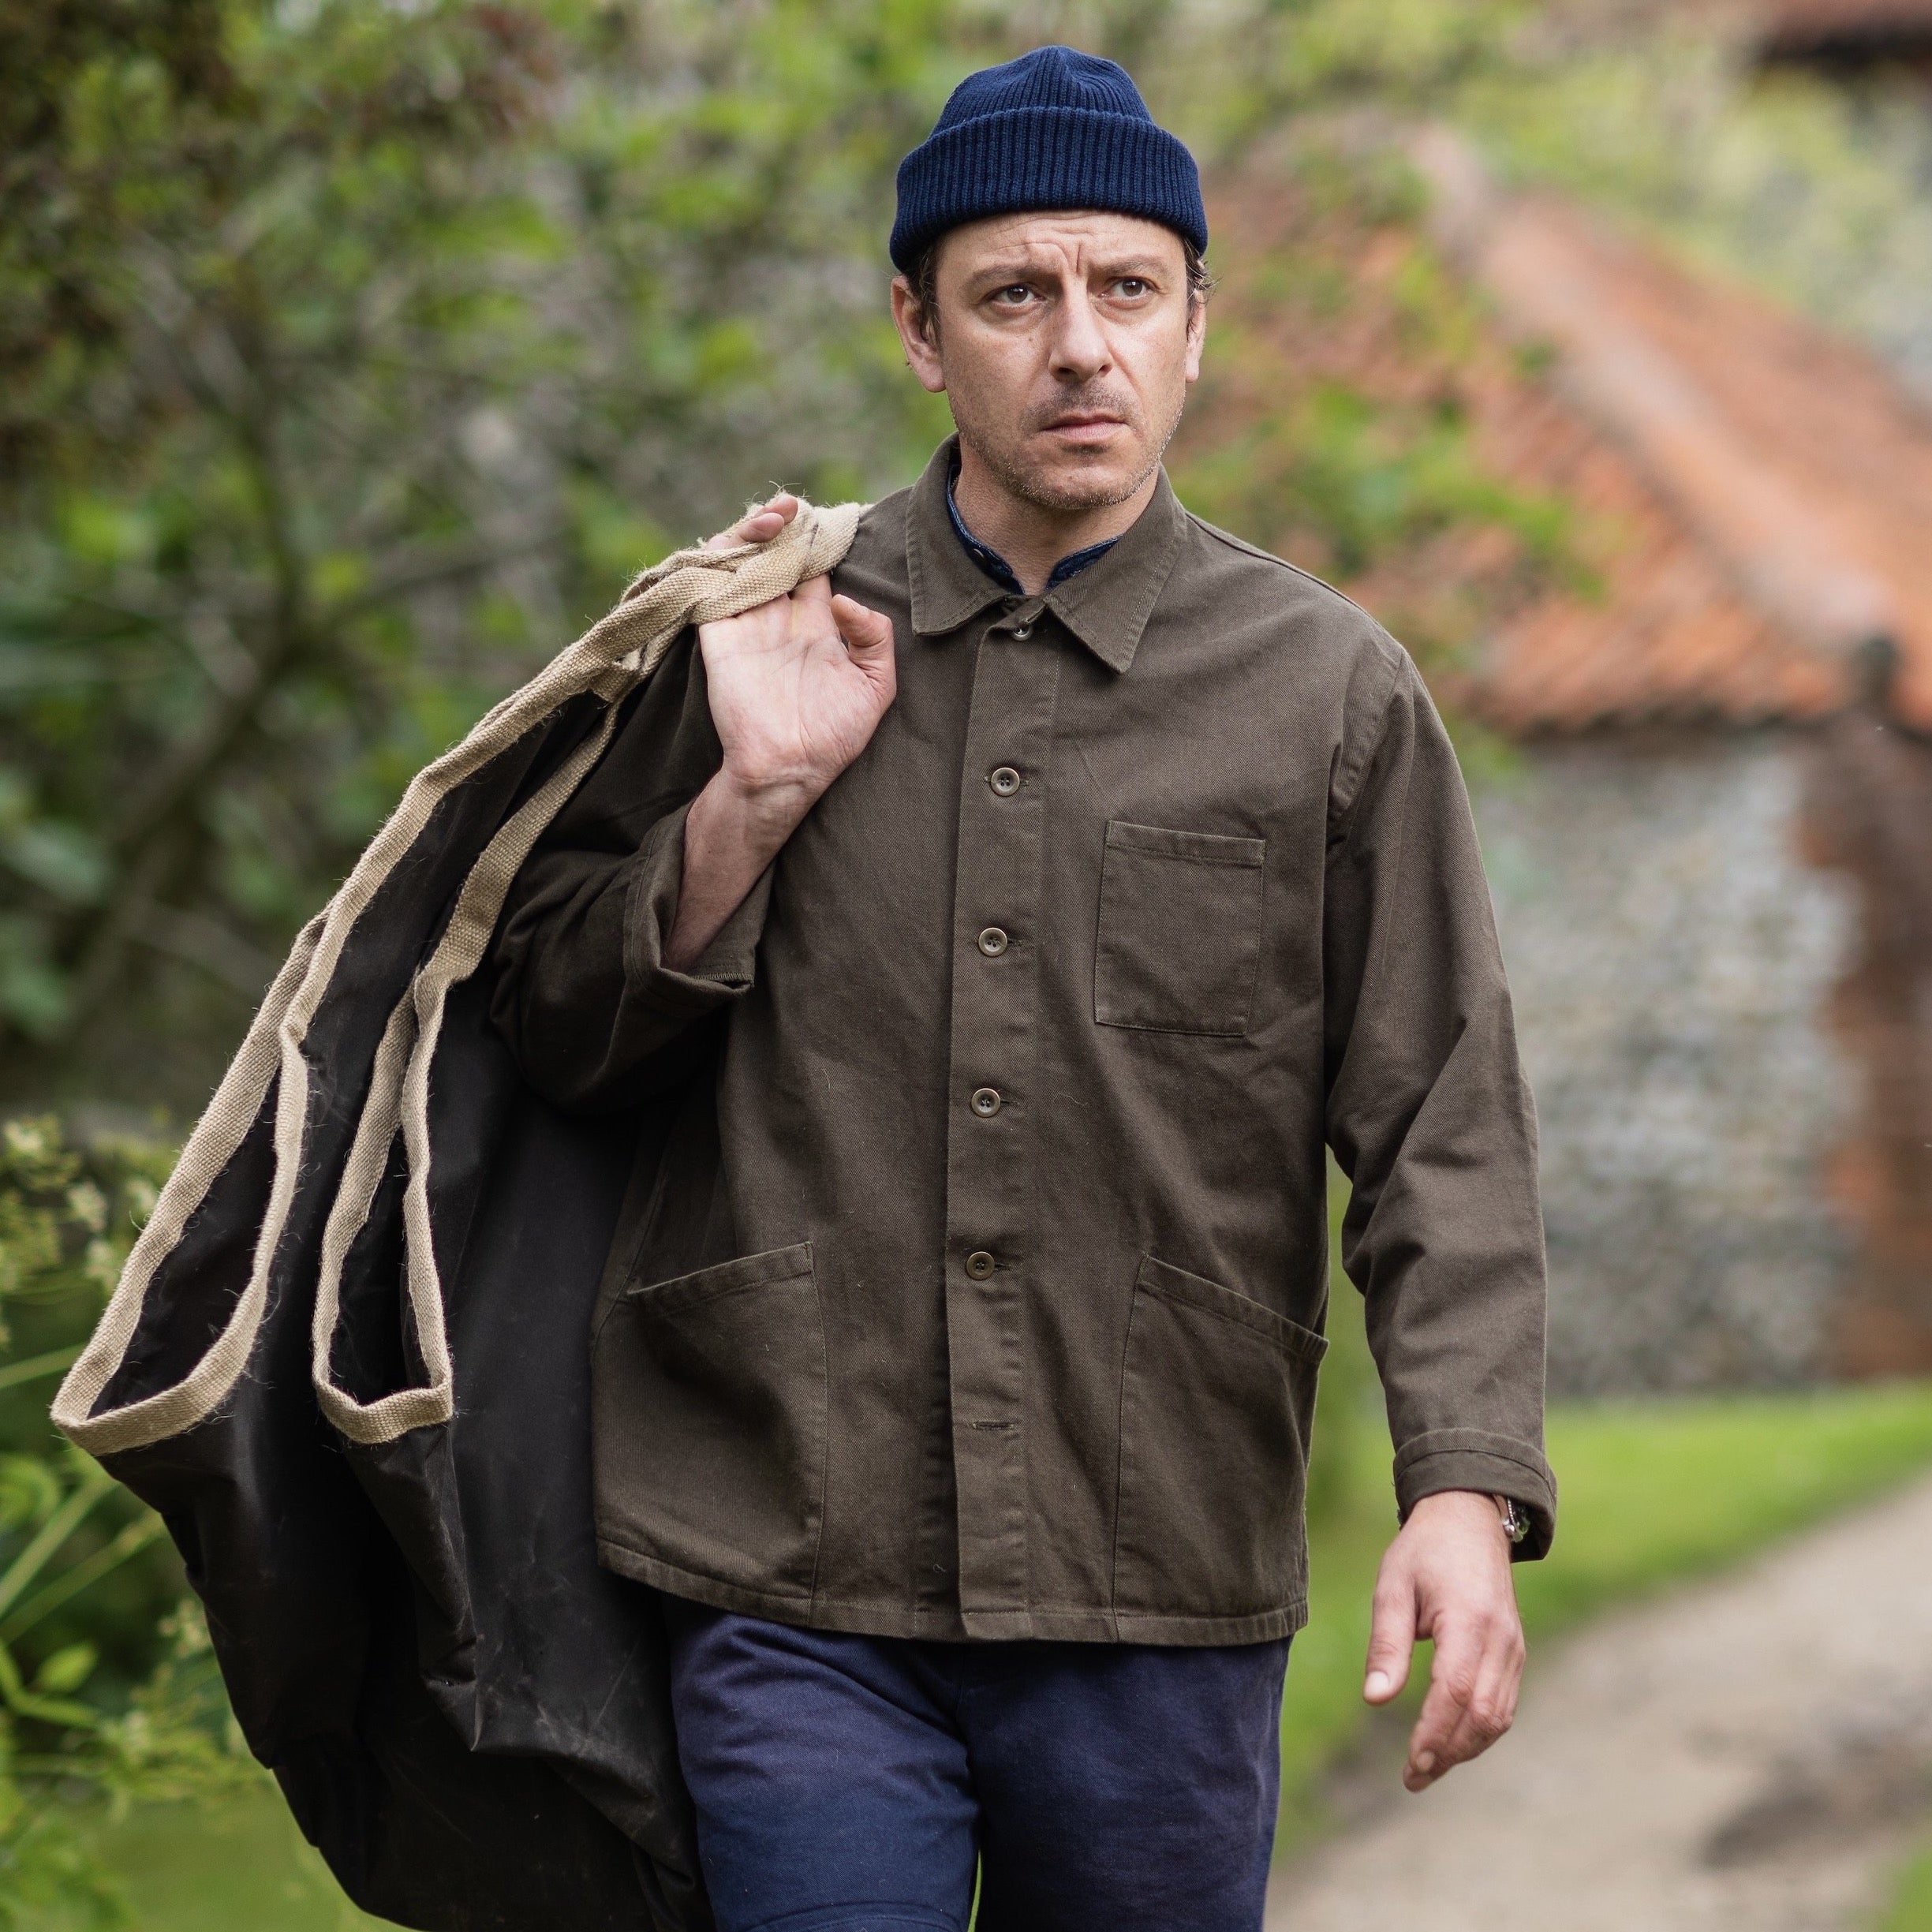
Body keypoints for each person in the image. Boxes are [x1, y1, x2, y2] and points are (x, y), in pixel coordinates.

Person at [489, 43, 1554, 1932]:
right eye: (1014, 294)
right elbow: (550, 1031)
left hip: (1156, 1567)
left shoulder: (1330, 697)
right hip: (784, 1550)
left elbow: (1438, 1126)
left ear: (1196, 322)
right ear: (919, 329)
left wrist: (1461, 1489)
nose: (1079, 346)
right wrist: (747, 801)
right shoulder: (754, 638)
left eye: (1126, 289)